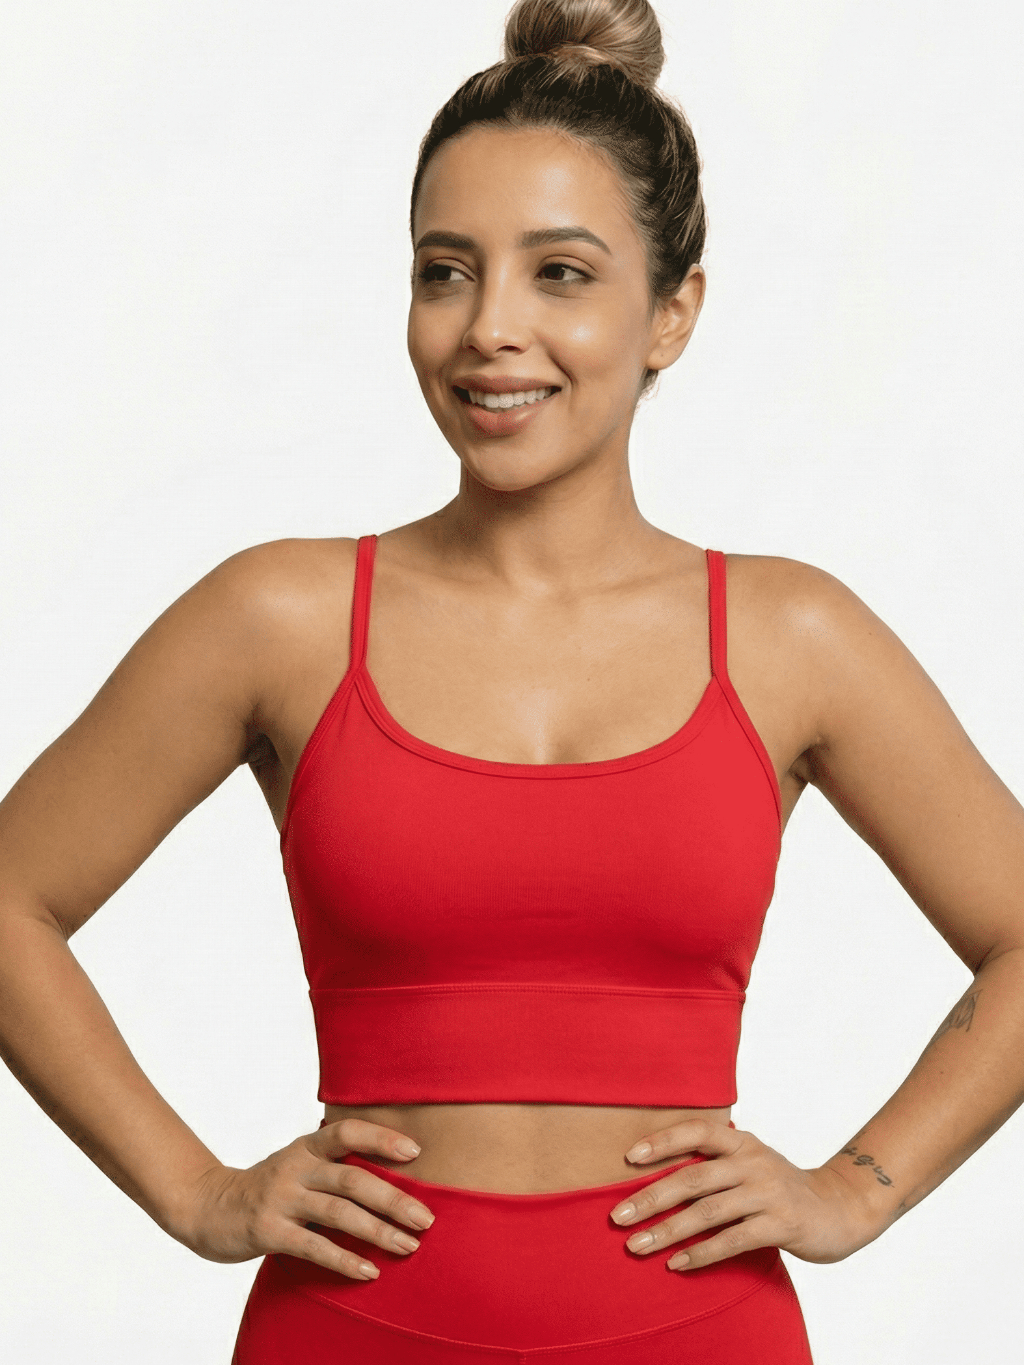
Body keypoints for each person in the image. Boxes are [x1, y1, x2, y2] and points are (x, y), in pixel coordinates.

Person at [2, 0, 1024, 1360]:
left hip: (698, 1333)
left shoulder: (791, 637)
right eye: (446, 272)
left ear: (672, 313)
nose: (491, 327)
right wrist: (195, 1192)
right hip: (350, 1330)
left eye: (560, 274)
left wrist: (859, 1187)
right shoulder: (280, 619)